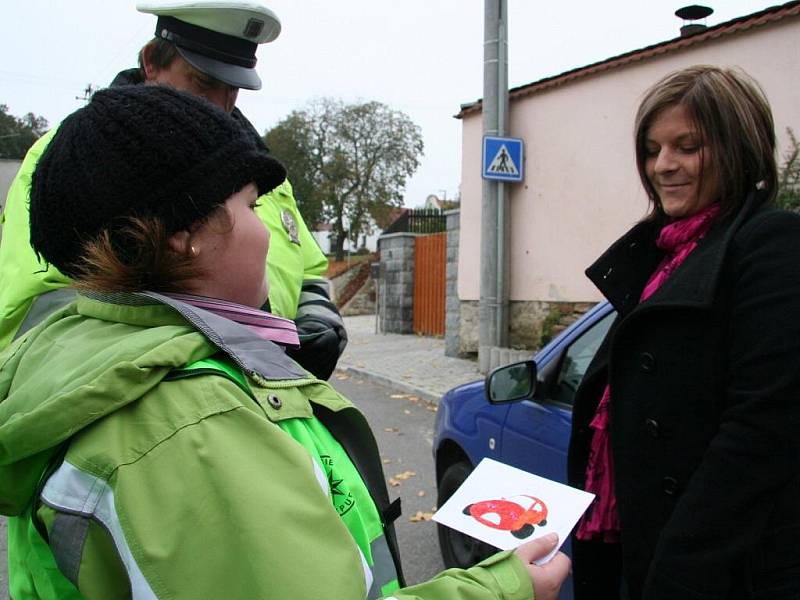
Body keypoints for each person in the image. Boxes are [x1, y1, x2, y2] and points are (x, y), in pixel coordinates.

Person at [0, 85, 570, 600]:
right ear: (182, 235)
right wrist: (504, 590)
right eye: (250, 206)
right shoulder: (190, 428)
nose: (269, 230)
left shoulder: (97, 357)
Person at [0, 0, 346, 380]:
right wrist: (180, 374)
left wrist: (318, 321)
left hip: (261, 392)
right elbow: (38, 305)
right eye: (204, 81)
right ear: (152, 62)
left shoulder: (264, 171)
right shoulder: (74, 161)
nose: (221, 103)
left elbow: (309, 268)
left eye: (234, 88)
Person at [567, 64, 800, 599]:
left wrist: (681, 570)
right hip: (634, 546)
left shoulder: (771, 244)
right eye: (652, 150)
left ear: (737, 148)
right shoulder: (663, 256)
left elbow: (760, 432)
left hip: (720, 569)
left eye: (687, 147)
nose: (663, 166)